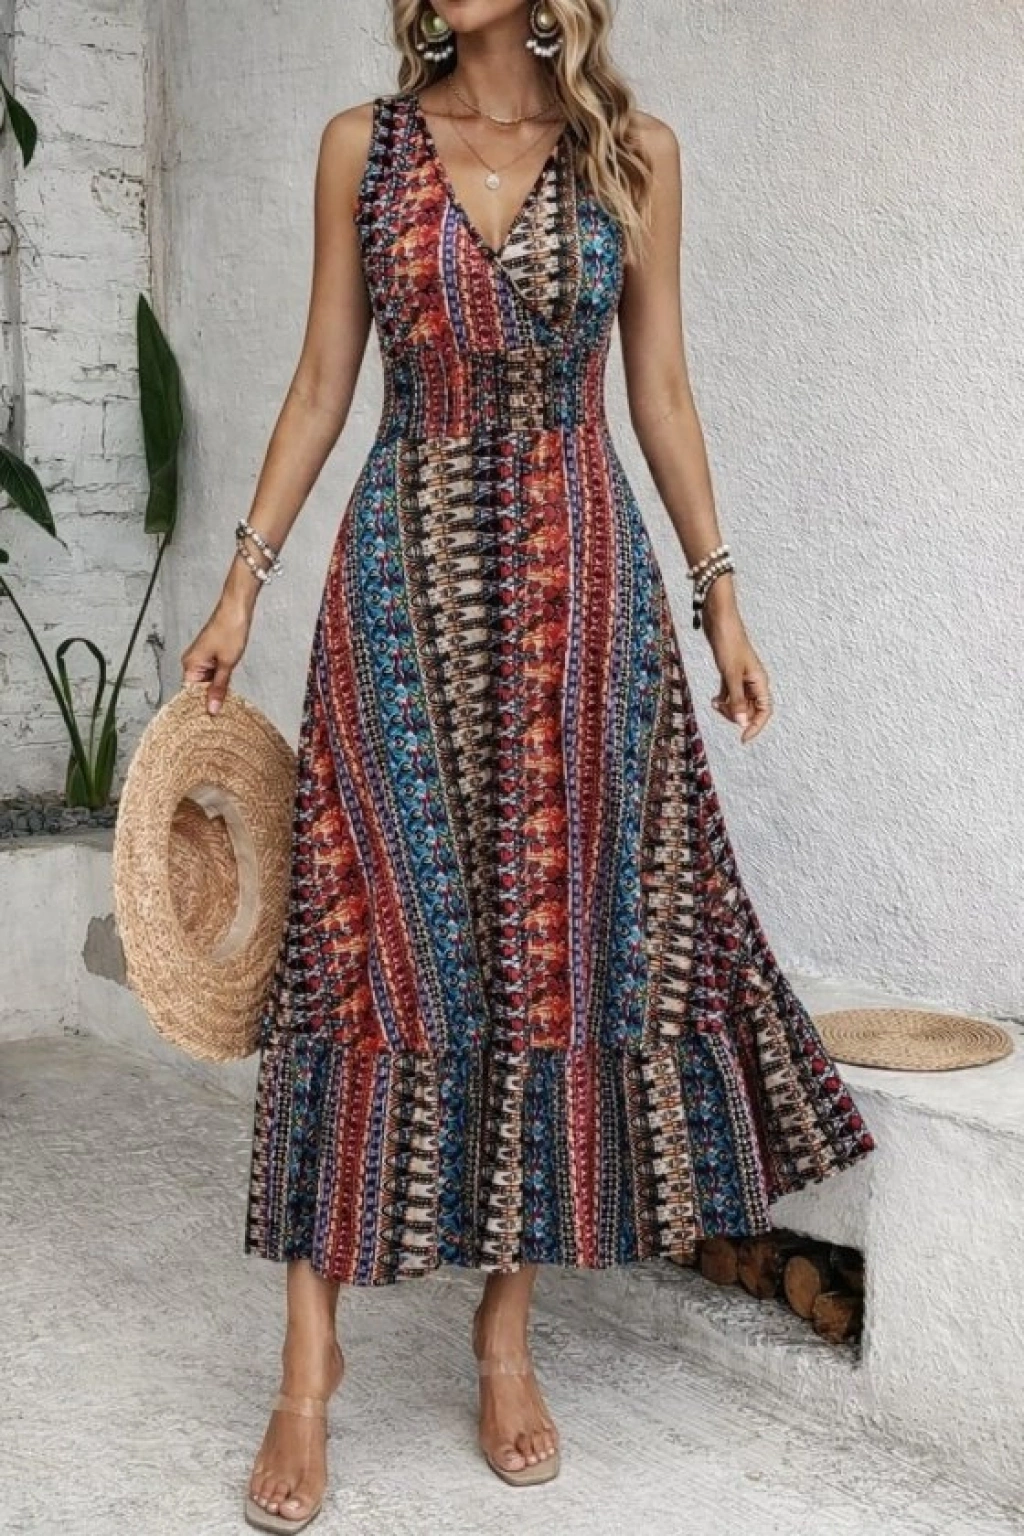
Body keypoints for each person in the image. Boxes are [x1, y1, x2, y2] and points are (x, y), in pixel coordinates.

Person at [181, 2, 877, 1529]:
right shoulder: (363, 151)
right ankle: (307, 1362)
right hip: (401, 588)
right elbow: (322, 383)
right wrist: (241, 587)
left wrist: (721, 595)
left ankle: (505, 1337)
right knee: (358, 943)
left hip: (580, 596)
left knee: (541, 962)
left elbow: (662, 392)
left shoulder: (634, 156)